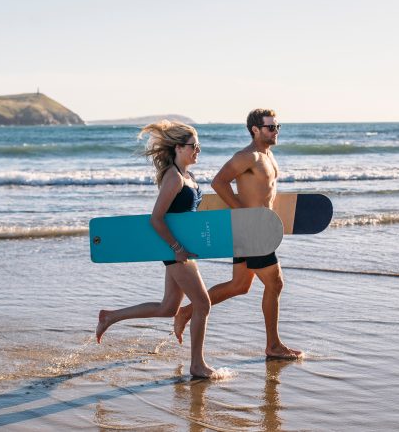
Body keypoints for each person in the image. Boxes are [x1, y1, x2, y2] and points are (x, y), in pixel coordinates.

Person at [173, 109, 302, 360]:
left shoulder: (268, 156)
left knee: (239, 285)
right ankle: (273, 345)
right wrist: (243, 212)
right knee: (275, 283)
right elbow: (219, 181)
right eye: (271, 127)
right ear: (255, 129)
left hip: (257, 228)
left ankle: (185, 313)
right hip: (252, 230)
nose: (276, 132)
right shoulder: (247, 156)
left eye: (277, 127)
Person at [96, 121, 216, 378]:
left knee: (168, 308)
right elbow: (156, 218)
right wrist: (176, 248)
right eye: (194, 146)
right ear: (178, 148)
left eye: (199, 146)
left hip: (181, 250)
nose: (198, 151)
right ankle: (197, 364)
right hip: (174, 250)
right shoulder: (173, 178)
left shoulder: (189, 177)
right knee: (203, 304)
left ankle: (109, 317)